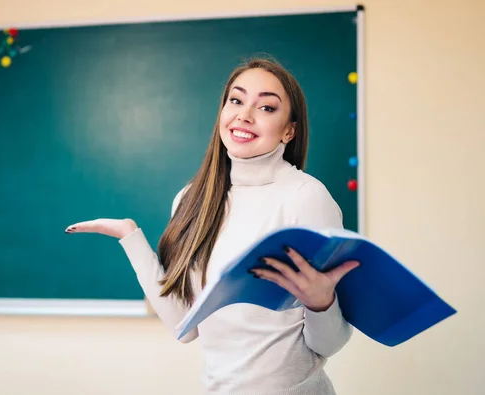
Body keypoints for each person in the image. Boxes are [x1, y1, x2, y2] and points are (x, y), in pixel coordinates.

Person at [65, 56, 360, 394]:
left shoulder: (307, 197)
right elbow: (185, 327)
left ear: (289, 130)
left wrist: (321, 302)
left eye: (266, 108)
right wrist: (129, 237)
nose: (244, 115)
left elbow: (328, 344)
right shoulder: (191, 199)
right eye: (236, 100)